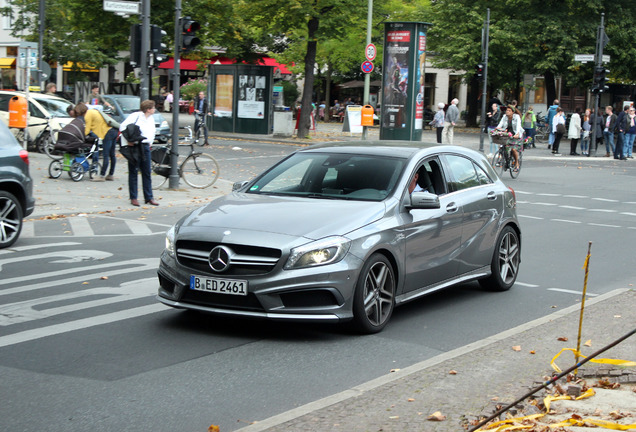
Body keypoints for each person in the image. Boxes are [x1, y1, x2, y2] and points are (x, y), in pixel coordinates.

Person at [119, 99, 158, 207]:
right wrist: (128, 141)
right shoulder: (136, 116)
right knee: (133, 172)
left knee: (146, 172)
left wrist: (150, 142)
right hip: (135, 146)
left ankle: (149, 197)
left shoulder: (151, 119)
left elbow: (152, 131)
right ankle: (134, 197)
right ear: (148, 109)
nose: (154, 109)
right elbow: (123, 126)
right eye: (153, 108)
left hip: (146, 146)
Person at [85, 106, 120, 181]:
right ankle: (110, 175)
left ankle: (102, 175)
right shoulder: (94, 111)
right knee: (112, 154)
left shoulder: (88, 114)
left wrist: (82, 135)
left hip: (107, 133)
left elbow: (87, 130)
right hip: (113, 130)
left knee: (106, 155)